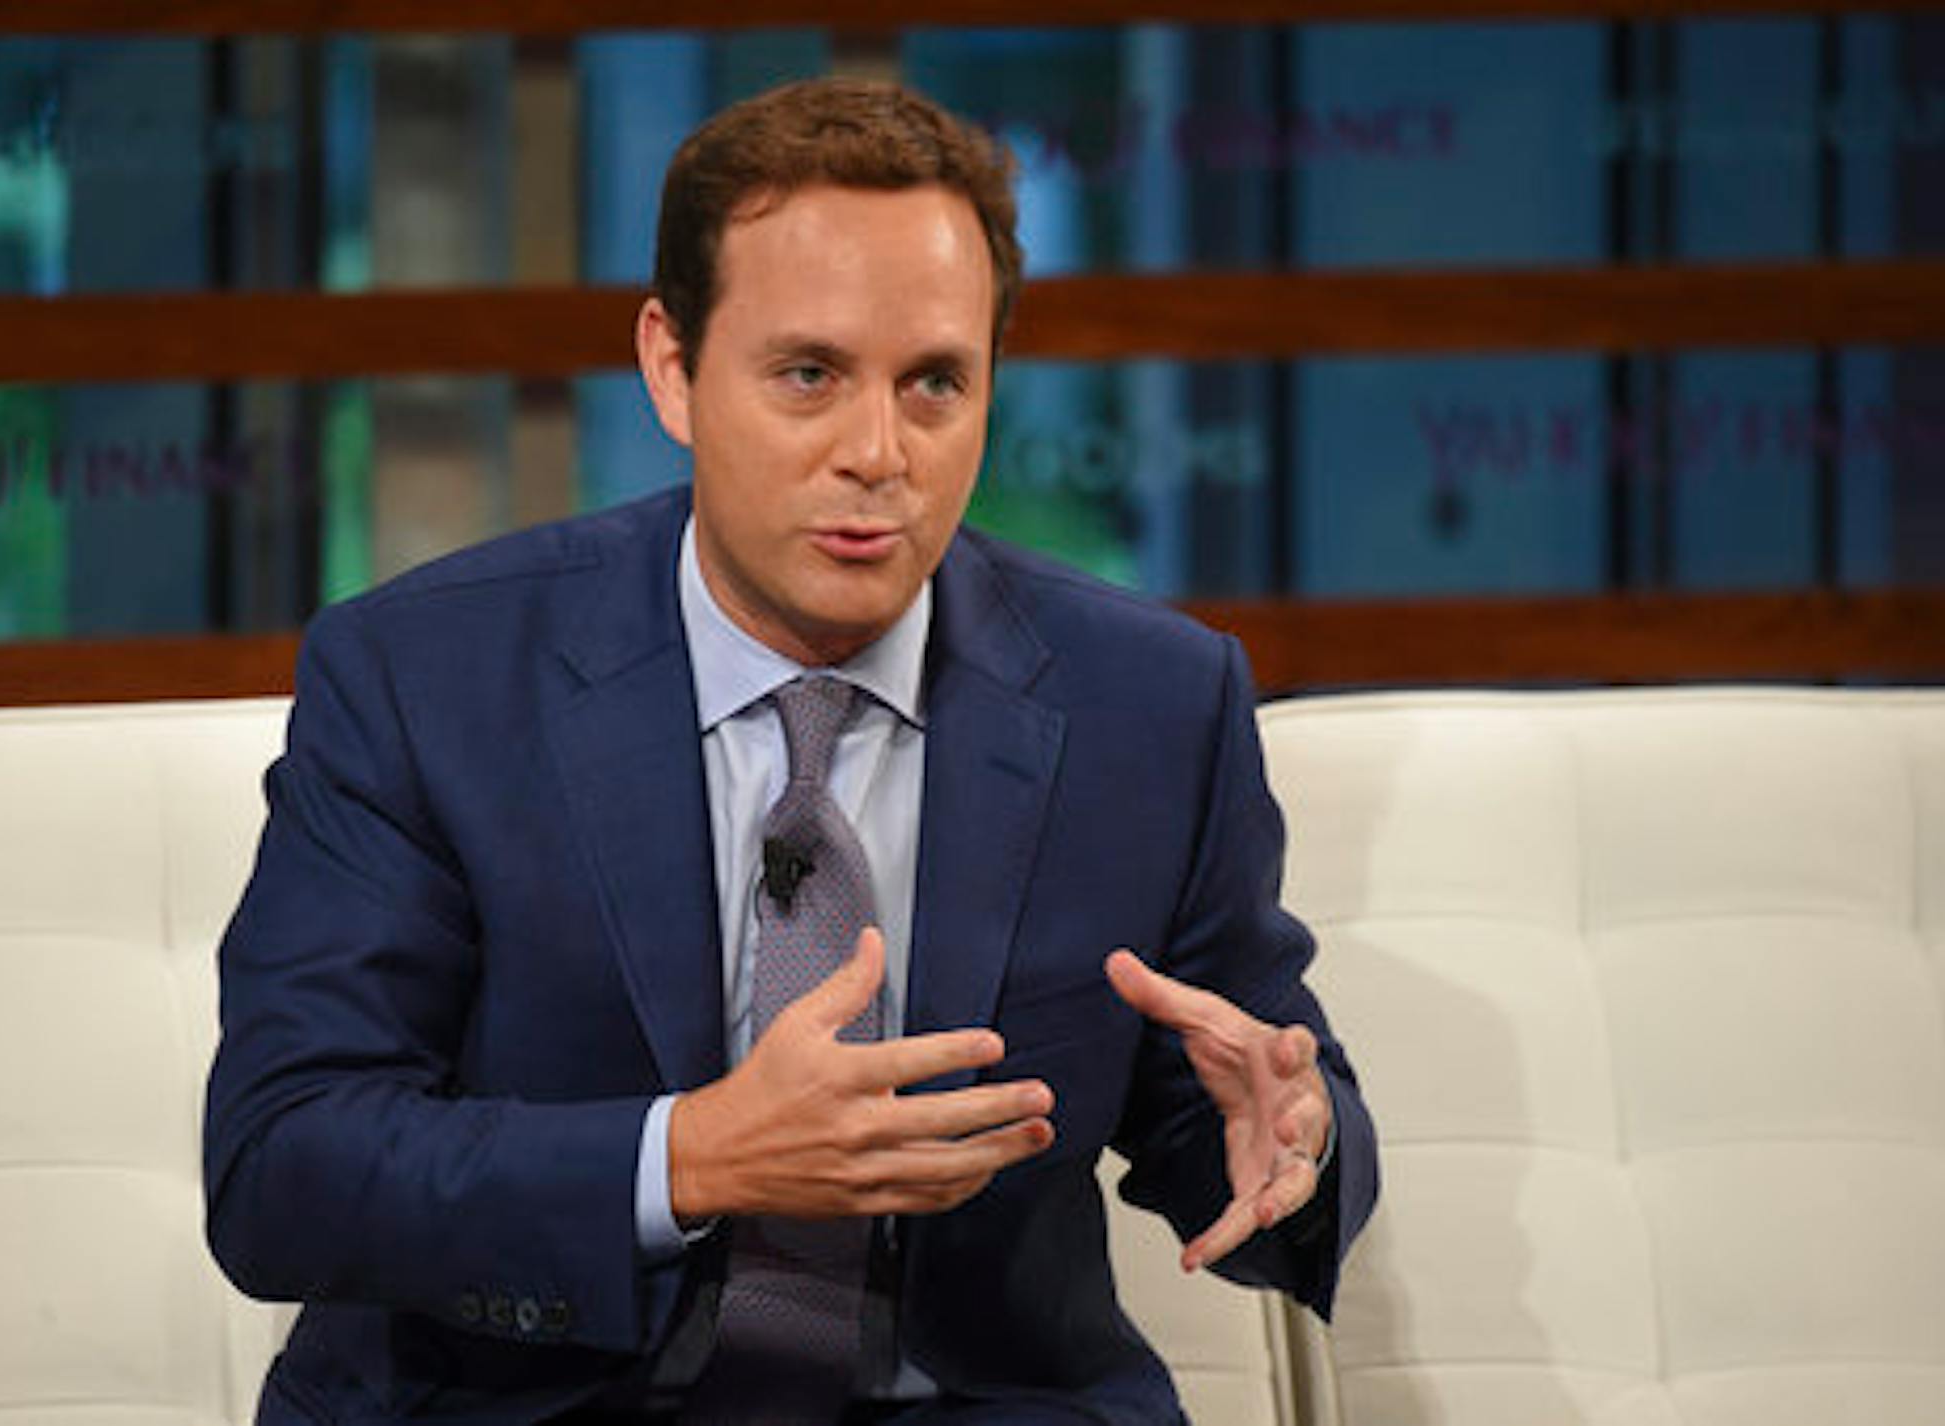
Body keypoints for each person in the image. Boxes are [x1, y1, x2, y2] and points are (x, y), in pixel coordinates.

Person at [205, 77, 1376, 1425]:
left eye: (935, 382)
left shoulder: (1151, 704)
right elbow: (282, 1165)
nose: (879, 453)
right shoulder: (424, 680)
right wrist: (690, 1154)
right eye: (809, 375)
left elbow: (1245, 1096)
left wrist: (1295, 1141)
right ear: (671, 367)